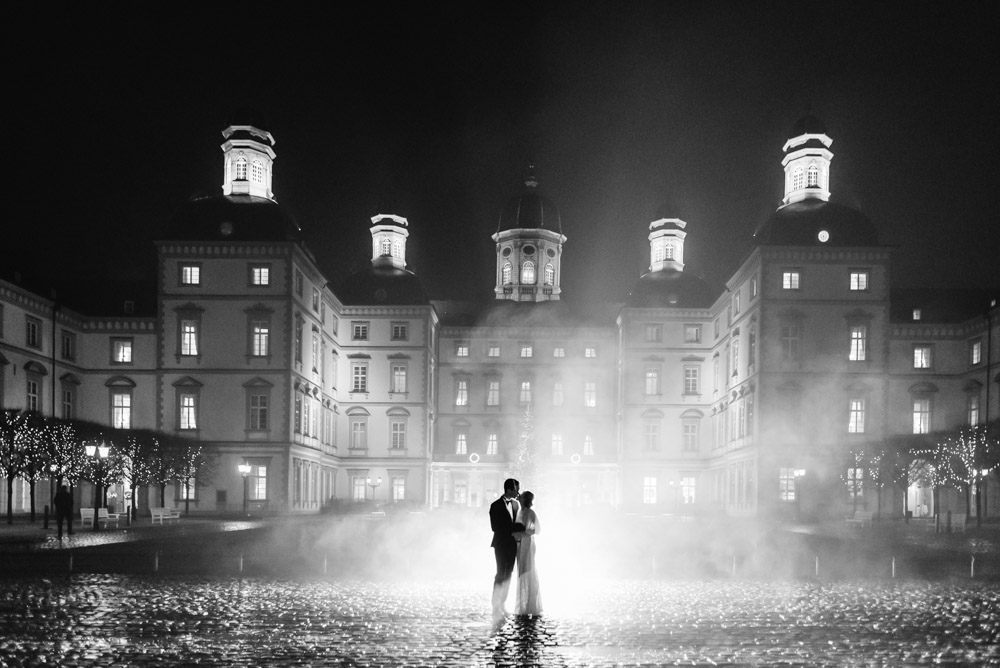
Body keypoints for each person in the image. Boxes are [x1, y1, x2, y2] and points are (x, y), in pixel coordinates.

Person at [489, 478, 520, 623]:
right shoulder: (495, 505)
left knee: (509, 574)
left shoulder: (515, 504)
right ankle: (495, 605)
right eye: (516, 490)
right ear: (509, 489)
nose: (517, 492)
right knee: (500, 573)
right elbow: (495, 527)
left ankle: (503, 603)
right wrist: (515, 529)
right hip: (501, 544)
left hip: (513, 544)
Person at [513, 490, 542, 616]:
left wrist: (522, 533)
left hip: (528, 543)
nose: (519, 498)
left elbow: (536, 530)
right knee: (522, 571)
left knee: (528, 570)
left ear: (525, 500)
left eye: (521, 497)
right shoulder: (521, 511)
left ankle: (530, 604)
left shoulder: (530, 513)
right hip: (520, 543)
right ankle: (523, 604)